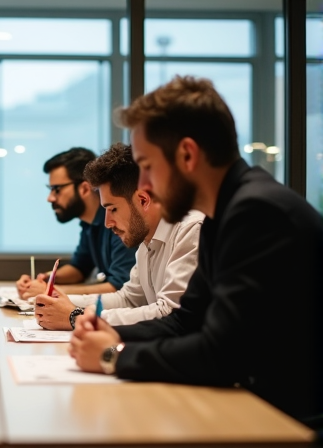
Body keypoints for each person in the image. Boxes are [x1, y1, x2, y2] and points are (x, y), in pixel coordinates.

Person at [69, 75, 323, 423]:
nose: (143, 186)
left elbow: (222, 354)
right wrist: (111, 332)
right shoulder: (225, 212)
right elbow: (183, 322)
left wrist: (112, 356)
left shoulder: (256, 212)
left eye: (146, 166)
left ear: (187, 155)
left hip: (287, 420)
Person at [33, 143, 203, 330]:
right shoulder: (146, 240)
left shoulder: (191, 230)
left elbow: (171, 314)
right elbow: (128, 299)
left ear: (143, 200)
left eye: (112, 209)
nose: (107, 223)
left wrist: (77, 316)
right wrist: (61, 302)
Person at [16, 148, 136, 298]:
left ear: (85, 188)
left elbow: (120, 287)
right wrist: (44, 279)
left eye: (56, 189)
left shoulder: (117, 221)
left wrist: (50, 291)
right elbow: (79, 268)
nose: (50, 198)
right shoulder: (89, 223)